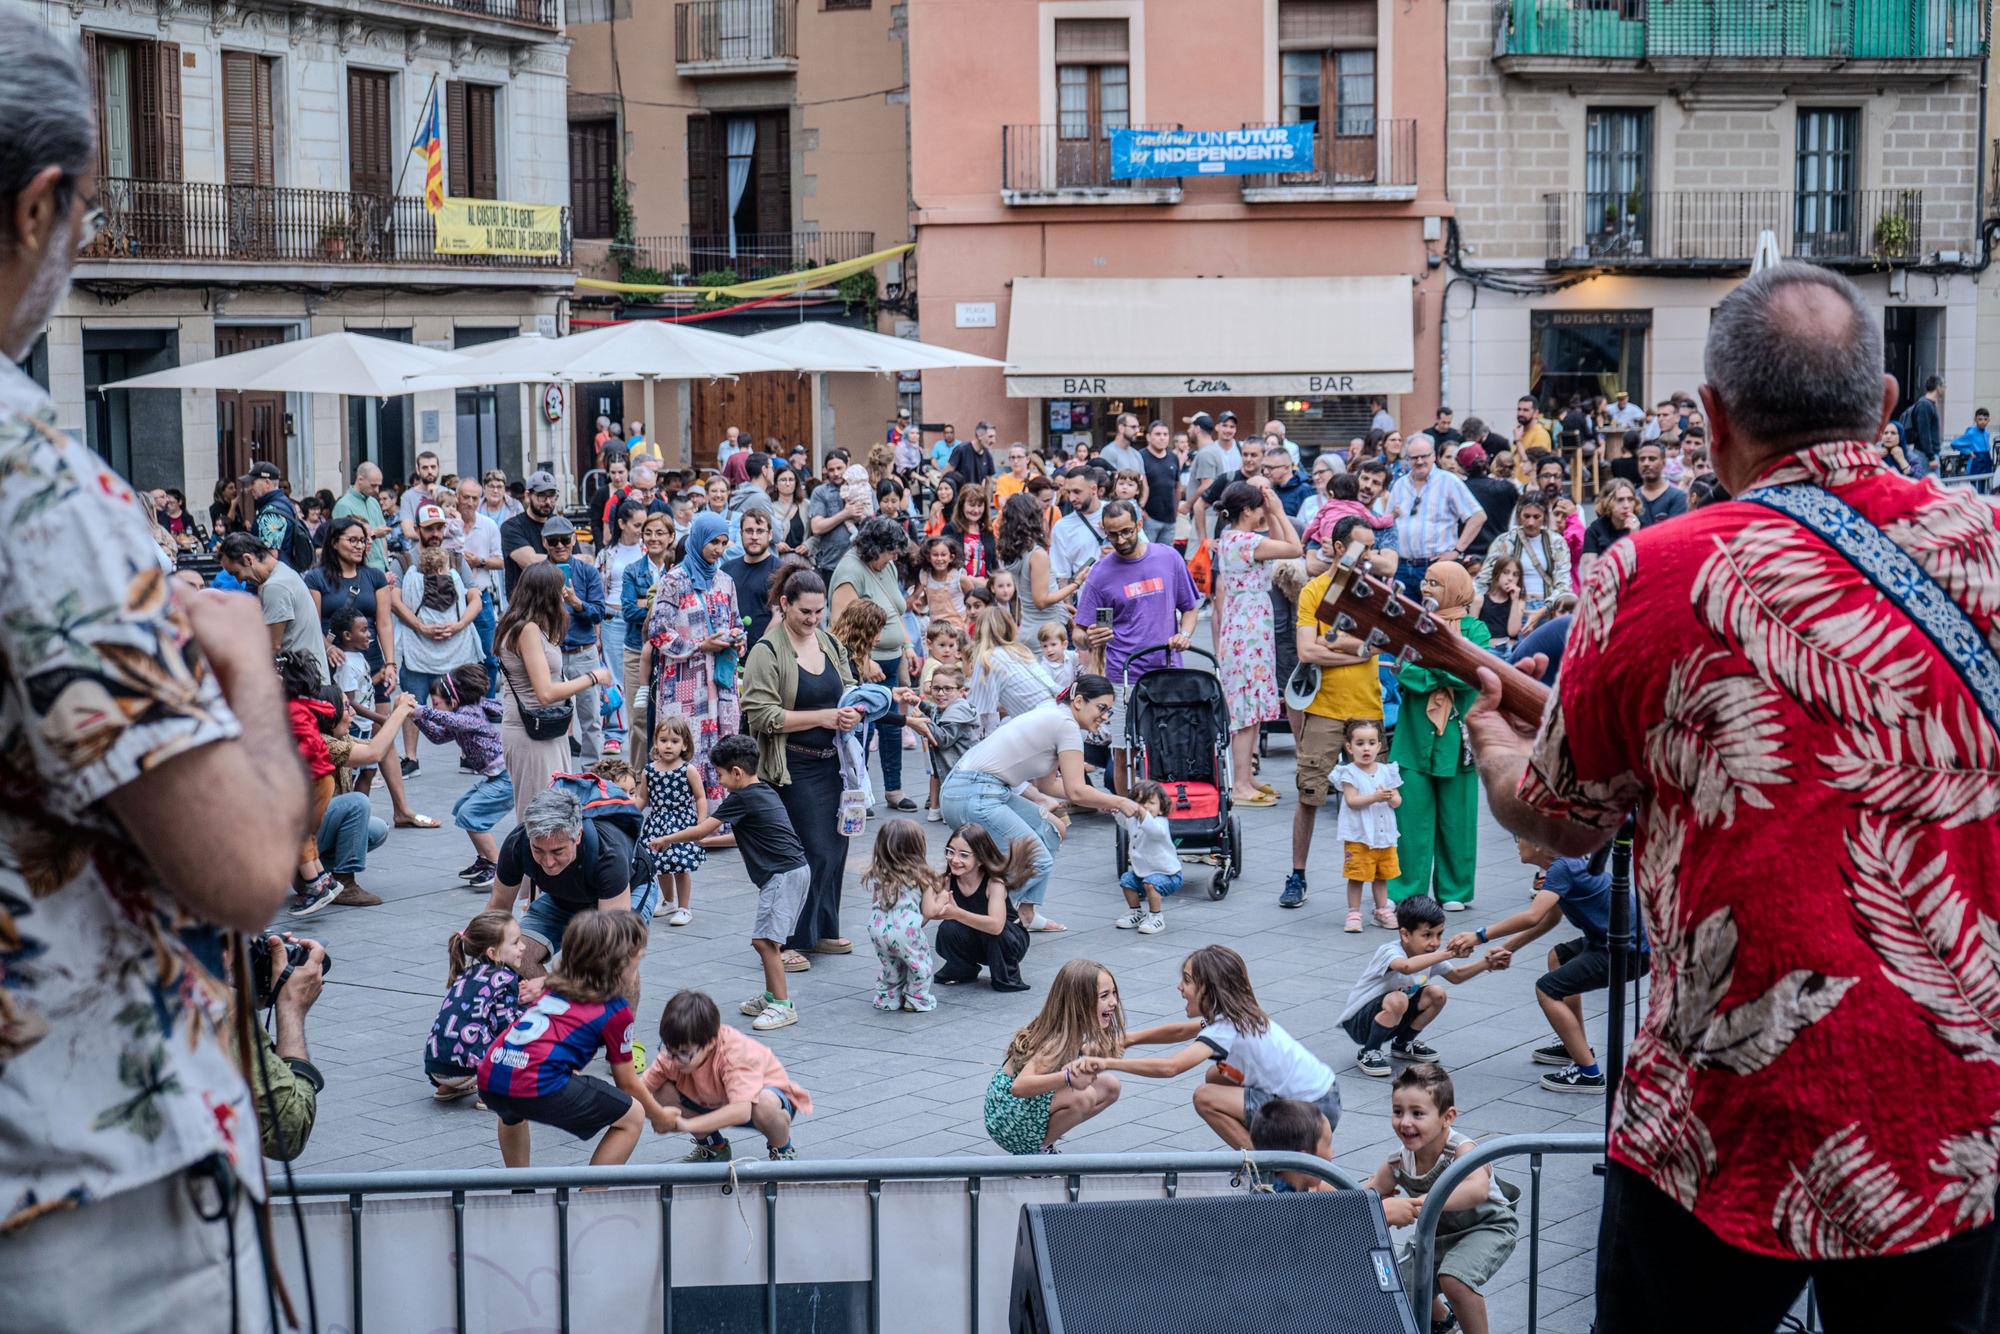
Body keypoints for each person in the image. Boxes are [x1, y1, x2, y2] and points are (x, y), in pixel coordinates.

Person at [1465, 263, 2000, 1332]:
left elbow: (1564, 813)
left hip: (1720, 1108)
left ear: (1709, 421)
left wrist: (1487, 737)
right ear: (1886, 403)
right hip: (1953, 1106)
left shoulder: (1650, 572)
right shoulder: (1989, 550)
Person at [0, 57, 315, 1294]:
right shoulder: (32, 488)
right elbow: (242, 869)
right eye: (82, 214)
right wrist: (248, 673)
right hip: (73, 1192)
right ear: (36, 206)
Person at [1082, 945, 1342, 1150]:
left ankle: (1267, 1167)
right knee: (1215, 1075)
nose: (1179, 987)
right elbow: (1182, 1031)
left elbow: (1172, 1067)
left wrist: (1107, 1063)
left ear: (1208, 989)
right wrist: (1128, 1039)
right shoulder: (1236, 1014)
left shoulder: (1225, 1028)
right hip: (1325, 1094)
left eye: (1186, 980)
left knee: (1205, 1096)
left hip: (1310, 1110)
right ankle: (1276, 1150)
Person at [941, 677, 1145, 934]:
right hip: (973, 792)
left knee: (1050, 830)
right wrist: (1118, 800)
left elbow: (1050, 786)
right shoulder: (1066, 724)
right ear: (1079, 702)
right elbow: (1076, 790)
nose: (1105, 716)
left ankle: (1027, 914)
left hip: (979, 789)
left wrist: (1102, 800)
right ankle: (985, 916)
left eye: (1109, 710)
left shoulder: (1055, 712)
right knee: (1037, 859)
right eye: (1102, 708)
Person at [1452, 838, 1653, 1096]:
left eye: (1520, 836)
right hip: (1610, 942)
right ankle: (1575, 1046)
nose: (1516, 843)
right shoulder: (1563, 865)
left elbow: (1532, 916)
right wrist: (1509, 948)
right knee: (1558, 957)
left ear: (1539, 842)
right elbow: (1549, 920)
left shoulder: (1563, 867)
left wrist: (1479, 936)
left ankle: (1588, 1074)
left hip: (1627, 952)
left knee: (1547, 989)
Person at [478, 910, 674, 1168]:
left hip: (491, 1075)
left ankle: (521, 1191)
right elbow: (627, 1083)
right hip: (538, 1084)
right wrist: (659, 1115)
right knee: (633, 1114)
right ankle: (589, 1199)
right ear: (619, 964)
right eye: (637, 962)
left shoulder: (553, 988)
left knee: (511, 1111)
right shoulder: (614, 1009)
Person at [741, 562, 861, 968]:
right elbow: (761, 715)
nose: (812, 619)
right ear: (785, 605)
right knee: (805, 854)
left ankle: (822, 930)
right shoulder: (767, 650)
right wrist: (823, 717)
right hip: (793, 765)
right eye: (804, 612)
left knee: (835, 847)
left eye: (818, 611)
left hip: (835, 763)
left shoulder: (828, 642)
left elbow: (848, 692)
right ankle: (785, 939)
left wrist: (853, 713)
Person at [653, 732, 813, 1033]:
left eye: (722, 775)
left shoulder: (741, 797)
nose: (721, 782)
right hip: (792, 872)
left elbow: (701, 830)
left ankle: (782, 1004)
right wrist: (704, 845)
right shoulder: (763, 791)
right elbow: (737, 837)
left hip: (782, 876)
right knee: (767, 940)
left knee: (765, 942)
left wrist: (666, 840)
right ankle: (769, 997)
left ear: (737, 772)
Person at [1280, 515, 1391, 908]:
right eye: (1363, 548)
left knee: (1374, 796)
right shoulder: (1314, 591)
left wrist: (1337, 642)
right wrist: (1358, 647)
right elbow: (1307, 651)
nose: (1370, 557)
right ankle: (1297, 875)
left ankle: (1377, 885)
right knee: (1309, 794)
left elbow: (1381, 643)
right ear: (1339, 547)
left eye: (1373, 549)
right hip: (1324, 709)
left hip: (1367, 709)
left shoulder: (1376, 593)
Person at [1369, 1064, 1519, 1334]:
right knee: (1396, 1288)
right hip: (1436, 1237)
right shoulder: (1399, 1160)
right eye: (1397, 1112)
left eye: (1417, 1113)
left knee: (1454, 1279)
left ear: (1447, 1117)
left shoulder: (1462, 1150)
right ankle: (1442, 1320)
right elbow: (1369, 1193)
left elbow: (1477, 1189)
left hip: (1487, 1227)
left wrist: (1427, 1201)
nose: (1405, 1122)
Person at [1074, 501, 1201, 790]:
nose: (1120, 540)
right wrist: (1089, 637)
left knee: (1168, 746)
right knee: (1122, 751)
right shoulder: (1101, 574)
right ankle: (1126, 818)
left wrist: (1184, 634)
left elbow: (1190, 608)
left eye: (1127, 532)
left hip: (1166, 671)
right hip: (1122, 675)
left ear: (1139, 525)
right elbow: (1079, 631)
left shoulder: (1168, 558)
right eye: (1112, 535)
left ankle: (1164, 810)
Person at [1389, 561, 1488, 910]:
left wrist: (1434, 667)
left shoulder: (1476, 630)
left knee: (1458, 819)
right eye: (1426, 581)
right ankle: (1406, 891)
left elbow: (1475, 672)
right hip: (1414, 738)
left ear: (1456, 587)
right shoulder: (1412, 625)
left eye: (1436, 583)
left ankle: (1455, 891)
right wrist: (1445, 669)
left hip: (1458, 741)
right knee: (1410, 818)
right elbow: (1405, 672)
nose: (1427, 588)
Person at [984, 960, 1149, 1152]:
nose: (1113, 1002)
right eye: (1104, 996)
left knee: (1110, 1086)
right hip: (1006, 1118)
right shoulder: (1056, 1041)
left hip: (1016, 1110)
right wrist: (1068, 1078)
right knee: (1083, 1096)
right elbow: (1019, 1087)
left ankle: (1042, 1142)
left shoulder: (1073, 1030)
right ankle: (1035, 1154)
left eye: (1114, 993)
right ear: (1080, 1003)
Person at [495, 563, 612, 824]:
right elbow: (545, 693)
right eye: (560, 589)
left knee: (555, 808)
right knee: (539, 814)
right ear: (545, 593)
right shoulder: (527, 630)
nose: (565, 594)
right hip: (532, 731)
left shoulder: (531, 626)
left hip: (547, 727)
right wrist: (592, 677)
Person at [1212, 478, 1302, 806]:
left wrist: (1275, 516)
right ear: (1247, 510)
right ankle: (1239, 784)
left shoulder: (1232, 537)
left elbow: (1278, 546)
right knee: (1246, 709)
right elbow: (1295, 548)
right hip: (1248, 628)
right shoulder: (1244, 541)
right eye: (1259, 508)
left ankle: (1247, 777)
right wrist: (1278, 510)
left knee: (1253, 704)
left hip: (1249, 625)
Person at [645, 510, 745, 805]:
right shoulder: (673, 581)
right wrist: (701, 646)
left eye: (724, 542)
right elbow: (658, 632)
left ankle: (719, 817)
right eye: (713, 541)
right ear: (699, 538)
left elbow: (737, 621)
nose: (718, 549)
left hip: (721, 684)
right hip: (684, 683)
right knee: (685, 745)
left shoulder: (725, 581)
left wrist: (738, 640)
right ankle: (684, 816)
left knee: (723, 746)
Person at [645, 990, 813, 1163]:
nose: (675, 1060)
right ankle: (714, 1147)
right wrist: (655, 1114)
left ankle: (782, 1150)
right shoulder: (674, 1053)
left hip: (755, 1103)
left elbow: (742, 1111)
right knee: (661, 1091)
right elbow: (639, 1091)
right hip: (714, 1100)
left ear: (710, 1043)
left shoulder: (733, 1054)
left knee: (765, 1104)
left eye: (683, 1053)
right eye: (669, 1050)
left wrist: (687, 1125)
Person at [1339, 896, 1494, 1077]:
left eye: (1439, 934)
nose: (1435, 942)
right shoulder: (1389, 951)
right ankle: (1369, 1051)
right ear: (1405, 934)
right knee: (1399, 998)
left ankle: (1403, 1044)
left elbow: (1456, 976)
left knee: (1437, 993)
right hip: (1361, 1022)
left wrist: (1487, 962)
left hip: (1394, 1017)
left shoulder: (1428, 954)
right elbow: (1406, 967)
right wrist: (1449, 953)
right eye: (1427, 935)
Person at [830, 517, 918, 810]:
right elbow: (841, 626)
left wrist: (906, 645)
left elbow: (895, 610)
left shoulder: (886, 565)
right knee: (862, 730)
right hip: (866, 665)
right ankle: (859, 794)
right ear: (874, 547)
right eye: (891, 551)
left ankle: (894, 789)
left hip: (892, 660)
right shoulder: (850, 571)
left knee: (892, 729)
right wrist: (864, 661)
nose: (895, 557)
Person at [395, 505, 484, 766]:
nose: (435, 534)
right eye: (429, 528)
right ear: (417, 529)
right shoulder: (402, 561)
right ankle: (410, 757)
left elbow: (475, 597)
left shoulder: (456, 560)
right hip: (418, 649)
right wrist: (420, 627)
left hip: (455, 647)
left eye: (439, 528)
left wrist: (459, 625)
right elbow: (394, 600)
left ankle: (469, 753)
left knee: (462, 702)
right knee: (412, 700)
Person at [412, 663, 510, 888]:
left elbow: (456, 722)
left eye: (436, 703)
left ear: (453, 701)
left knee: (470, 815)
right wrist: (416, 718)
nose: (433, 707)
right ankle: (485, 860)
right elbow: (438, 737)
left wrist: (422, 711)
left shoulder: (469, 713)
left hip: (507, 777)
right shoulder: (457, 715)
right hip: (496, 776)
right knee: (462, 807)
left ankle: (496, 866)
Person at [425, 910, 539, 1103]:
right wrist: (527, 1006)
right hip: (469, 1068)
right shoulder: (505, 978)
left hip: (435, 1066)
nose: (523, 946)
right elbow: (507, 1028)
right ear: (492, 953)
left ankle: (446, 1088)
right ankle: (490, 1093)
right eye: (515, 942)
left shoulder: (466, 973)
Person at [933, 824, 1038, 992]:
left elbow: (996, 926)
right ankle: (963, 968)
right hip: (975, 937)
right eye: (950, 851)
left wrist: (956, 913)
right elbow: (931, 912)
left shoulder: (994, 883)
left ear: (981, 858)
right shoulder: (946, 880)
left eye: (964, 855)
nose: (954, 859)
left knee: (994, 933)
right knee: (947, 929)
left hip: (1008, 940)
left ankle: (1006, 976)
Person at [219, 530, 330, 685]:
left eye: (236, 573)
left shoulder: (275, 586)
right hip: (310, 679)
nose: (238, 581)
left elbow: (273, 645)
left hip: (304, 686)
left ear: (248, 559)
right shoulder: (283, 571)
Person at [540, 516, 608, 764]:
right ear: (544, 543)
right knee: (551, 716)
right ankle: (557, 769)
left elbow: (600, 613)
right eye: (553, 541)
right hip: (550, 653)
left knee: (590, 717)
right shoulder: (537, 574)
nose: (560, 545)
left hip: (583, 652)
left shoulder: (588, 572)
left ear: (574, 539)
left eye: (565, 540)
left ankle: (592, 773)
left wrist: (576, 603)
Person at [1384, 435, 1486, 598]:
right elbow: (1388, 523)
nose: (1419, 461)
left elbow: (1478, 516)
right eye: (1414, 458)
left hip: (1436, 567)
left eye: (1424, 456)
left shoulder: (1449, 482)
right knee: (1401, 621)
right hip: (1402, 567)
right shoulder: (1399, 485)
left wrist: (1457, 550)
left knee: (1435, 620)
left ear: (1434, 456)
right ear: (1407, 459)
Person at [865, 818, 947, 1013]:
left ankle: (888, 999)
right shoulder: (922, 875)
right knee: (920, 965)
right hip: (906, 930)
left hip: (878, 926)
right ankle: (916, 1000)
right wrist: (942, 899)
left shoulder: (879, 872)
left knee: (890, 966)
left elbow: (876, 901)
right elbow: (929, 911)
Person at [1335, 721, 1403, 933]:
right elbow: (1352, 801)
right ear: (1349, 747)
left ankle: (1381, 910)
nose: (1366, 748)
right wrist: (1375, 797)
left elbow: (1398, 801)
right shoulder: (1348, 773)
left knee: (1381, 874)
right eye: (1360, 743)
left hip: (1384, 835)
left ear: (1379, 745)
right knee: (1357, 875)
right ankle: (1353, 912)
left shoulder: (1386, 771)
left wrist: (1392, 798)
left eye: (1371, 743)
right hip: (1360, 835)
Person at [639, 715, 706, 928]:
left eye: (675, 741)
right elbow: (642, 798)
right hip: (657, 822)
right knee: (660, 865)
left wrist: (701, 823)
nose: (668, 745)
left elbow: (700, 797)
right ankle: (668, 901)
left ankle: (684, 907)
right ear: (656, 742)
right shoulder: (649, 770)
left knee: (680, 865)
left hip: (682, 823)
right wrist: (627, 812)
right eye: (663, 740)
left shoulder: (688, 770)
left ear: (685, 744)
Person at [621, 511, 675, 750]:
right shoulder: (632, 570)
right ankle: (636, 776)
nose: (654, 538)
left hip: (670, 653)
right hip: (635, 650)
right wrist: (662, 609)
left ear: (671, 537)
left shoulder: (678, 571)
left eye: (660, 533)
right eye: (648, 533)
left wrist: (649, 603)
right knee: (639, 718)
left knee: (668, 719)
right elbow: (629, 611)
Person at [1473, 493, 1571, 618]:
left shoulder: (1557, 542)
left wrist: (1546, 608)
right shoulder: (1505, 540)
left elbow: (1563, 581)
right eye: (1527, 516)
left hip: (1547, 609)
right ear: (1519, 516)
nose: (1531, 522)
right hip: (1512, 608)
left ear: (1545, 517)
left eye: (1536, 517)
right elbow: (1485, 577)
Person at [1001, 491, 1077, 643]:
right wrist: (1075, 584)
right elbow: (1041, 600)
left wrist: (1061, 607)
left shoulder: (1016, 551)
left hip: (1031, 628)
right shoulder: (1036, 554)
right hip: (1046, 634)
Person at [1112, 778, 1182, 934]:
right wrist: (1116, 810)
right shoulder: (1133, 820)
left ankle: (1156, 916)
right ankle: (1136, 912)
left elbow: (1154, 831)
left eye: (1151, 803)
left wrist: (1142, 813)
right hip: (1142, 874)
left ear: (1162, 808)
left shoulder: (1160, 823)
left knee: (1152, 884)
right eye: (1140, 802)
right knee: (1126, 880)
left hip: (1168, 875)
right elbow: (1124, 821)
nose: (1145, 806)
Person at [1250, 1099, 1337, 1194]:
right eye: (1328, 1144)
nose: (1332, 1152)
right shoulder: (1292, 1204)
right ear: (1305, 1159)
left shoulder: (1260, 1184)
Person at [723, 507, 778, 647]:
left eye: (760, 531)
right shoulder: (726, 570)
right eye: (749, 531)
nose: (754, 536)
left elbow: (780, 617)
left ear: (770, 534)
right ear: (740, 533)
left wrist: (760, 652)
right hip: (729, 653)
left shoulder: (781, 571)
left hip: (766, 655)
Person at [501, 469, 561, 598]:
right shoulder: (511, 527)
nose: (548, 502)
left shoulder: (560, 524)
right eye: (542, 496)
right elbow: (531, 562)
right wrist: (566, 561)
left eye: (552, 496)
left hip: (557, 599)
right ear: (528, 496)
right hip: (525, 604)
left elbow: (583, 560)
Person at [332, 461, 395, 570]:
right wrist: (374, 533)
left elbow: (383, 538)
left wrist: (386, 564)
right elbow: (342, 543)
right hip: (361, 570)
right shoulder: (343, 505)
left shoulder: (374, 502)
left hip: (382, 567)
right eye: (373, 485)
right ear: (360, 479)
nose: (377, 490)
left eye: (378, 486)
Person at [1578, 477, 1642, 577]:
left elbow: (1645, 568)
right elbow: (1590, 574)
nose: (1626, 505)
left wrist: (1635, 537)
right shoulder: (1594, 531)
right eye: (1620, 500)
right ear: (1608, 502)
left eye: (1630, 499)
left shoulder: (1642, 527)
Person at [942, 482, 997, 578]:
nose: (976, 510)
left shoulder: (987, 530)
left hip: (985, 587)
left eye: (980, 506)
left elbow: (994, 564)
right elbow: (945, 564)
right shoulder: (950, 530)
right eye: (972, 505)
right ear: (962, 505)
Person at [1474, 555, 1527, 649]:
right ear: (1496, 574)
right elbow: (1472, 632)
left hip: (1508, 649)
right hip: (1486, 648)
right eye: (1506, 572)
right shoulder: (1479, 600)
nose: (1510, 578)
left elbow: (1513, 632)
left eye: (1515, 575)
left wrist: (1515, 600)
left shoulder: (1519, 602)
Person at [1634, 442, 1688, 526]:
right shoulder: (1632, 498)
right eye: (1642, 459)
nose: (1646, 463)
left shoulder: (1678, 497)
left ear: (1664, 463)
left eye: (1652, 459)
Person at [950, 420, 998, 486]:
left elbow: (988, 483)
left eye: (994, 437)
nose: (993, 441)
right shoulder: (961, 450)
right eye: (990, 437)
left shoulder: (988, 456)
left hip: (977, 495)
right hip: (961, 495)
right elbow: (946, 475)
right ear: (979, 436)